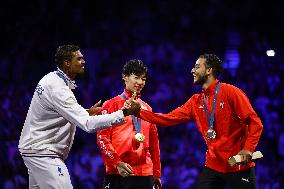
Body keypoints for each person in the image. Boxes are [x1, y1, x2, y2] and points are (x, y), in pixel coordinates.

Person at [18, 45, 140, 189]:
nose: (83, 61)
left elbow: (55, 112)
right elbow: (88, 125)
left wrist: (86, 112)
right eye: (79, 59)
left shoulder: (51, 78)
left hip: (34, 150)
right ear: (67, 63)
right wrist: (124, 112)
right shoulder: (58, 89)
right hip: (44, 154)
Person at [138, 54, 263, 189]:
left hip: (238, 166)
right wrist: (138, 112)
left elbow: (255, 122)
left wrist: (248, 149)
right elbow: (167, 119)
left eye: (197, 67)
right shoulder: (195, 101)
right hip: (213, 165)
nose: (192, 70)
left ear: (209, 70)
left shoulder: (231, 92)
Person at [97, 59, 162, 189]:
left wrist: (156, 173)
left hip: (145, 175)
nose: (140, 82)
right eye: (136, 77)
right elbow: (102, 138)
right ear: (125, 77)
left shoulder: (147, 108)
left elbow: (154, 144)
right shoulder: (111, 105)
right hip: (119, 172)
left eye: (143, 79)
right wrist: (117, 163)